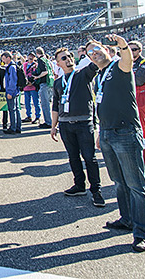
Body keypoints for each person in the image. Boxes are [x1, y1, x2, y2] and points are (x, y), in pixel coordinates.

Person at [88, 35, 145, 253]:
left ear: (107, 50)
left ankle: (142, 231)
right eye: (90, 53)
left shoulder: (119, 66)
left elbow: (127, 60)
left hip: (125, 131)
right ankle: (127, 219)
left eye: (97, 50)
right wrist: (100, 133)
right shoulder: (100, 75)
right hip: (106, 132)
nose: (94, 54)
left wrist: (123, 45)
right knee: (118, 181)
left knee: (135, 183)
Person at [51, 47, 104, 207]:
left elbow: (96, 65)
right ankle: (79, 185)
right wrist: (54, 126)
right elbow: (55, 105)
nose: (68, 59)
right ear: (58, 63)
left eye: (69, 56)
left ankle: (96, 190)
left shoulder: (83, 74)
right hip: (66, 124)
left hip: (83, 122)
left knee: (89, 157)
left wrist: (96, 51)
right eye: (63, 58)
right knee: (73, 157)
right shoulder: (58, 82)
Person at [33, 47, 54, 129]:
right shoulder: (47, 60)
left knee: (45, 104)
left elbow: (45, 72)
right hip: (50, 83)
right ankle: (51, 120)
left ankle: (48, 122)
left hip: (45, 83)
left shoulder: (41, 60)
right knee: (49, 103)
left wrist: (37, 76)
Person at [1, 52, 21, 134]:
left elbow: (12, 81)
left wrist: (10, 92)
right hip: (15, 91)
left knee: (12, 110)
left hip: (12, 91)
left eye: (4, 58)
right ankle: (17, 127)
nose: (3, 61)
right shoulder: (13, 66)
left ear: (8, 58)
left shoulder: (11, 67)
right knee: (16, 109)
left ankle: (13, 127)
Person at [22, 52, 40, 124]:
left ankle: (37, 116)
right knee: (27, 102)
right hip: (26, 86)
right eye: (29, 56)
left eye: (32, 57)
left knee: (36, 102)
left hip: (33, 86)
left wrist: (31, 82)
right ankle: (28, 116)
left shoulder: (36, 65)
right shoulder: (24, 65)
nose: (30, 58)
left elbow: (37, 74)